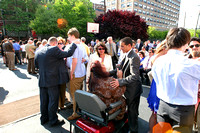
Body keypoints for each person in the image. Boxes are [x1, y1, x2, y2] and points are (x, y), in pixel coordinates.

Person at [152, 27, 200, 132]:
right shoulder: (191, 64)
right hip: (183, 111)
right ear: (187, 43)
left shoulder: (158, 61)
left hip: (163, 106)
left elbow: (156, 79)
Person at [34, 37, 77, 127]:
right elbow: (68, 53)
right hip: (52, 81)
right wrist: (73, 44)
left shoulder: (39, 51)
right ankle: (53, 120)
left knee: (44, 101)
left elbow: (36, 65)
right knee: (53, 101)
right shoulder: (53, 49)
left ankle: (44, 119)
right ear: (55, 43)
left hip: (42, 80)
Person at [110, 37, 143, 133]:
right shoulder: (126, 54)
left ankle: (133, 130)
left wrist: (119, 82)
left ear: (129, 46)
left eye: (122, 46)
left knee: (132, 112)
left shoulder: (134, 57)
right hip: (128, 88)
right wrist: (107, 73)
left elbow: (135, 76)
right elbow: (120, 67)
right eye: (120, 46)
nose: (120, 48)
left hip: (133, 90)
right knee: (130, 110)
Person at [67, 27, 89, 121]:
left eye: (68, 36)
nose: (68, 38)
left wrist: (71, 73)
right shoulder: (82, 45)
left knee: (74, 94)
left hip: (76, 73)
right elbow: (86, 58)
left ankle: (75, 112)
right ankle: (79, 109)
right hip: (81, 73)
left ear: (72, 36)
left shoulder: (74, 45)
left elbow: (74, 61)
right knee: (79, 93)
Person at [147, 40, 168, 133]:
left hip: (155, 86)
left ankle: (151, 131)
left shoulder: (155, 57)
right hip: (159, 87)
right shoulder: (161, 58)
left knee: (154, 114)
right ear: (164, 48)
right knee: (157, 115)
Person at [57, 37, 67, 110]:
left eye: (61, 43)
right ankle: (56, 106)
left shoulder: (64, 51)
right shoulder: (53, 52)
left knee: (62, 90)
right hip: (56, 74)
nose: (60, 44)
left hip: (63, 73)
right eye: (58, 43)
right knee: (56, 91)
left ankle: (62, 105)